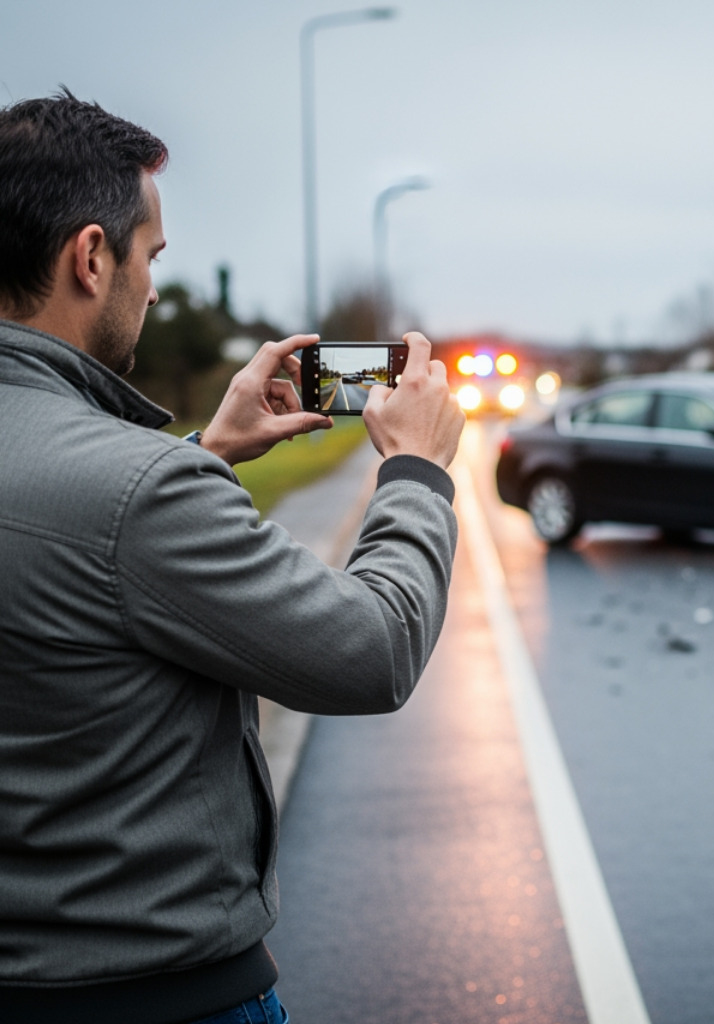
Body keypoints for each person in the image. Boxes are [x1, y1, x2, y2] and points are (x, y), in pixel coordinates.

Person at [0, 91, 465, 1022]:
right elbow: (372, 650)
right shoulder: (136, 495)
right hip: (157, 994)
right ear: (90, 257)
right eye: (151, 256)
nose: (153, 289)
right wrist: (416, 471)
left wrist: (203, 455)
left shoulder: (118, 487)